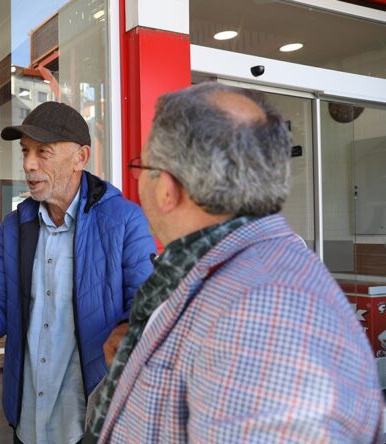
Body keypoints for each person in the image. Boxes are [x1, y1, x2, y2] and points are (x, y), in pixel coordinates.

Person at [85, 82, 384, 443]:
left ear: (167, 188)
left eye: (141, 167)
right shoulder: (229, 272)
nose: (137, 183)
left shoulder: (263, 314)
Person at [0, 101, 156, 444]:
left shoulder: (125, 221)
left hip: (91, 423)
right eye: (25, 151)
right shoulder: (14, 227)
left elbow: (148, 310)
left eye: (43, 152)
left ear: (80, 157)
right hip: (27, 421)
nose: (29, 164)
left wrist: (128, 331)